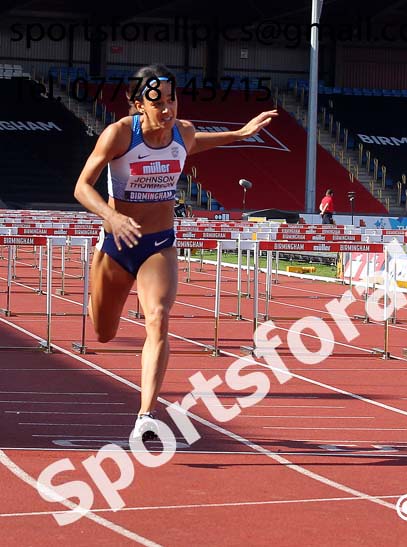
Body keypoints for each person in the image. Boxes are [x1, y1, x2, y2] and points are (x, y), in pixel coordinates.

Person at [73, 63, 277, 442]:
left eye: (172, 100)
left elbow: (198, 142)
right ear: (137, 104)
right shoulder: (118, 135)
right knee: (103, 332)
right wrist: (110, 216)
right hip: (118, 245)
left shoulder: (181, 133)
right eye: (158, 103)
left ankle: (145, 415)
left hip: (158, 244)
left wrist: (242, 133)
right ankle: (105, 305)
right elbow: (82, 187)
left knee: (159, 317)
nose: (167, 110)